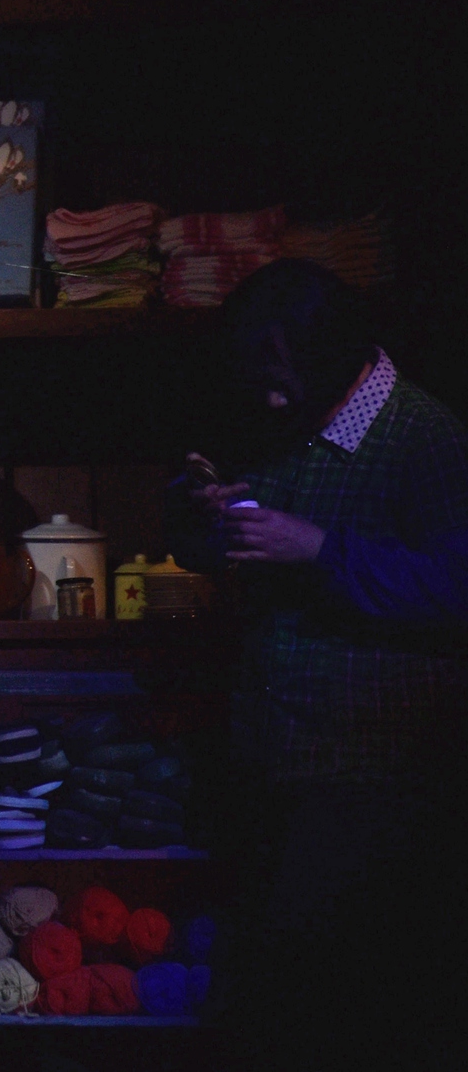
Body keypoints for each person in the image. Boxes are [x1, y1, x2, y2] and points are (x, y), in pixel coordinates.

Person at [172, 258, 466, 1071]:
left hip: (376, 770)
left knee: (330, 1001)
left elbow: (457, 585)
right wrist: (205, 512)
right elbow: (220, 547)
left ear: (334, 355)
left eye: (282, 374)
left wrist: (319, 549)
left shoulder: (424, 436)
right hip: (275, 754)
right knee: (267, 992)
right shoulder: (285, 422)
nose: (268, 397)